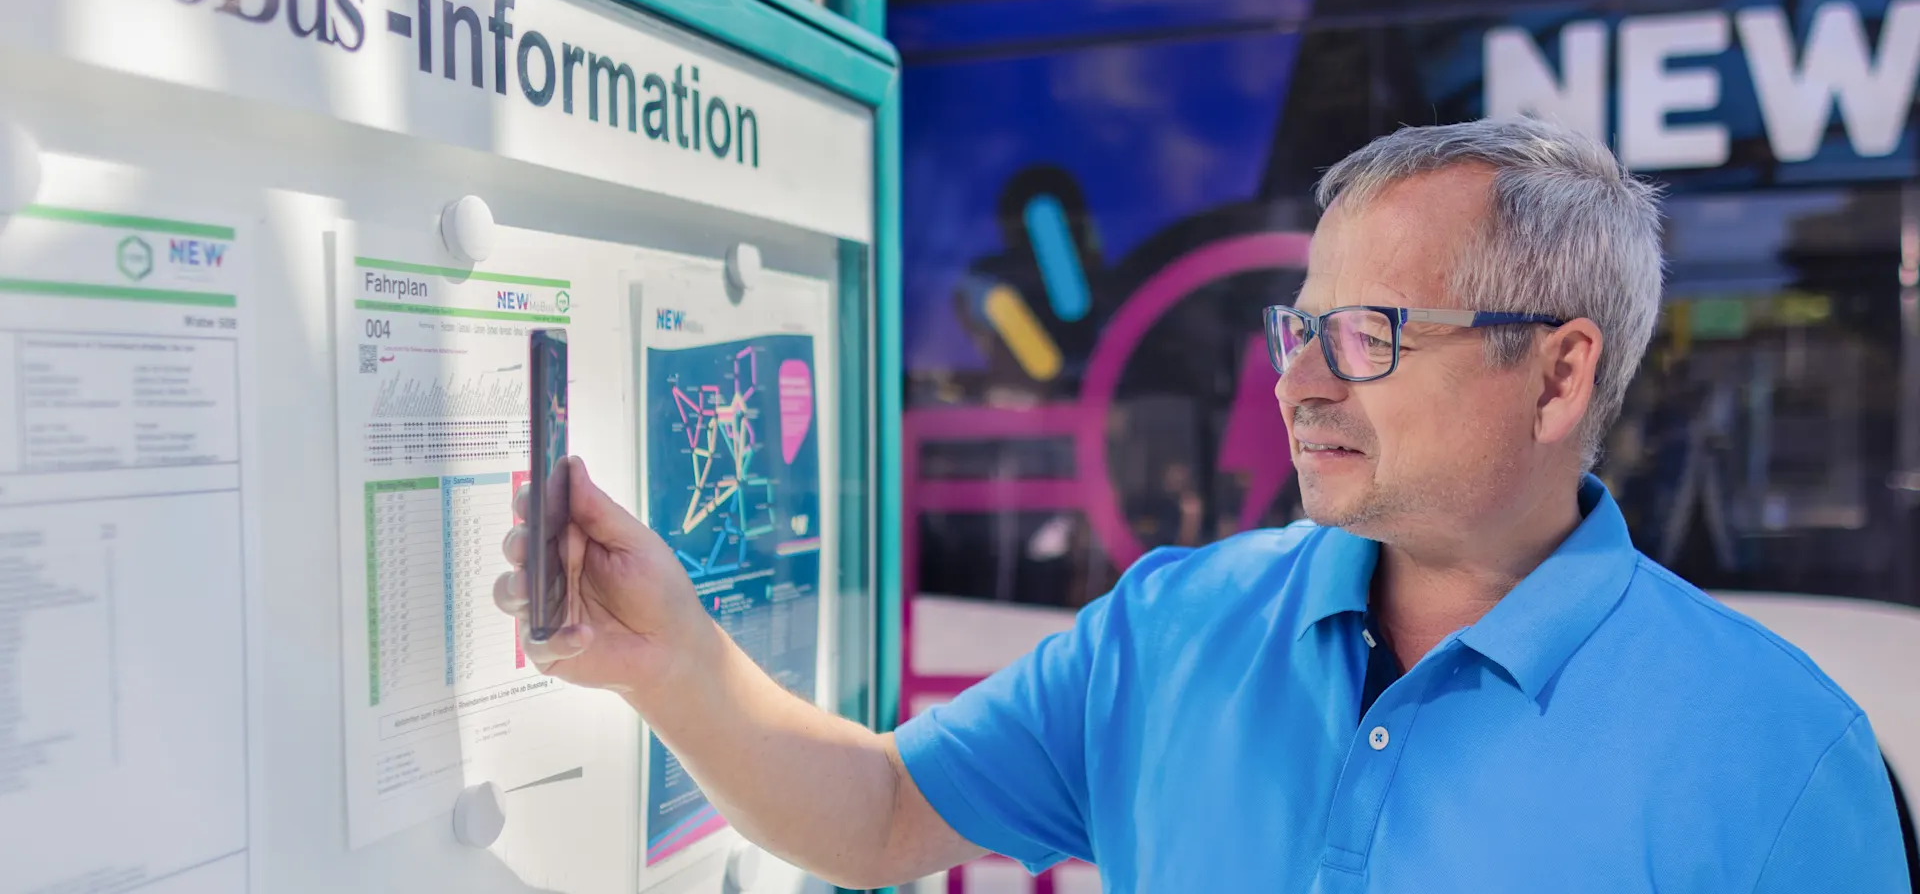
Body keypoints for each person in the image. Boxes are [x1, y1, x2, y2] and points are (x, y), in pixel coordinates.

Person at [494, 118, 1912, 891]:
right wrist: (666, 656)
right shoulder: (1174, 626)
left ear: (1557, 377)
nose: (1296, 381)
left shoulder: (1776, 759)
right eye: (1294, 326)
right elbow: (875, 813)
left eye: (1364, 335)